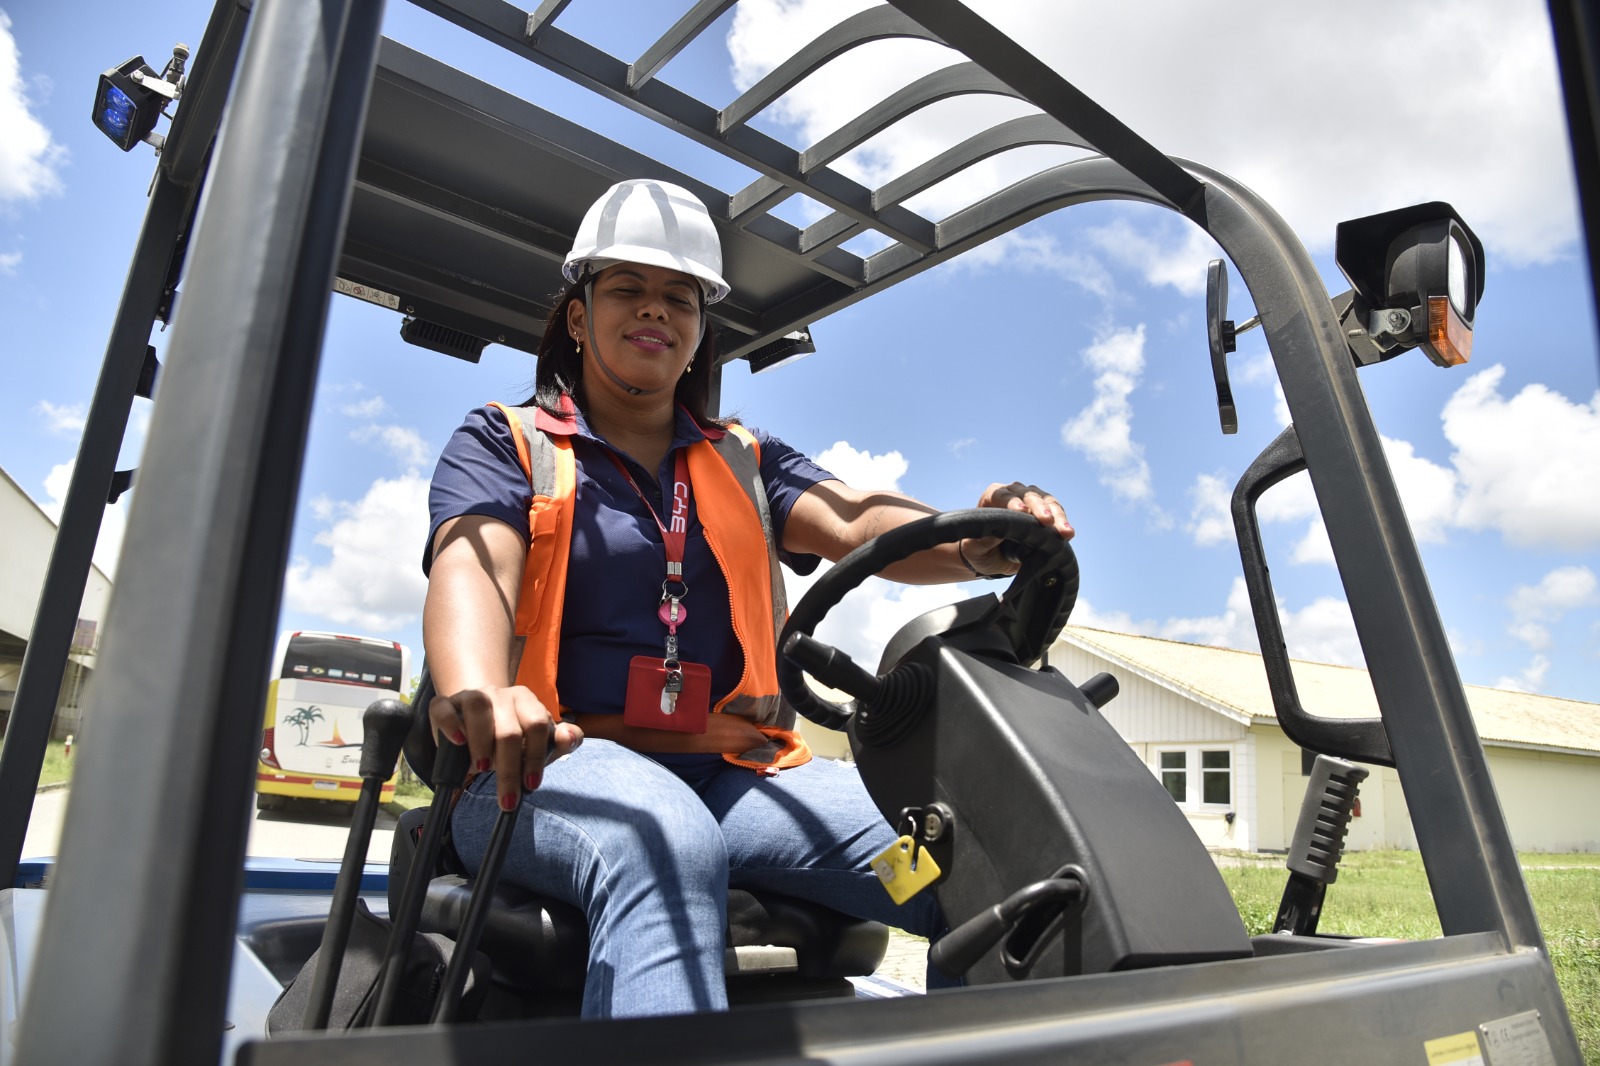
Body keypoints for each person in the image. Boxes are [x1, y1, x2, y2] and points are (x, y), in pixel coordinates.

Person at [423, 178, 1074, 1018]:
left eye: (679, 298)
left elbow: (858, 522)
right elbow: (473, 563)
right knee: (663, 838)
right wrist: (477, 687)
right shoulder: (504, 442)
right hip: (539, 772)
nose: (654, 310)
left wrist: (977, 537)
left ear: (698, 332)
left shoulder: (744, 459)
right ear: (579, 316)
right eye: (627, 289)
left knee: (966, 855)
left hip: (737, 781)